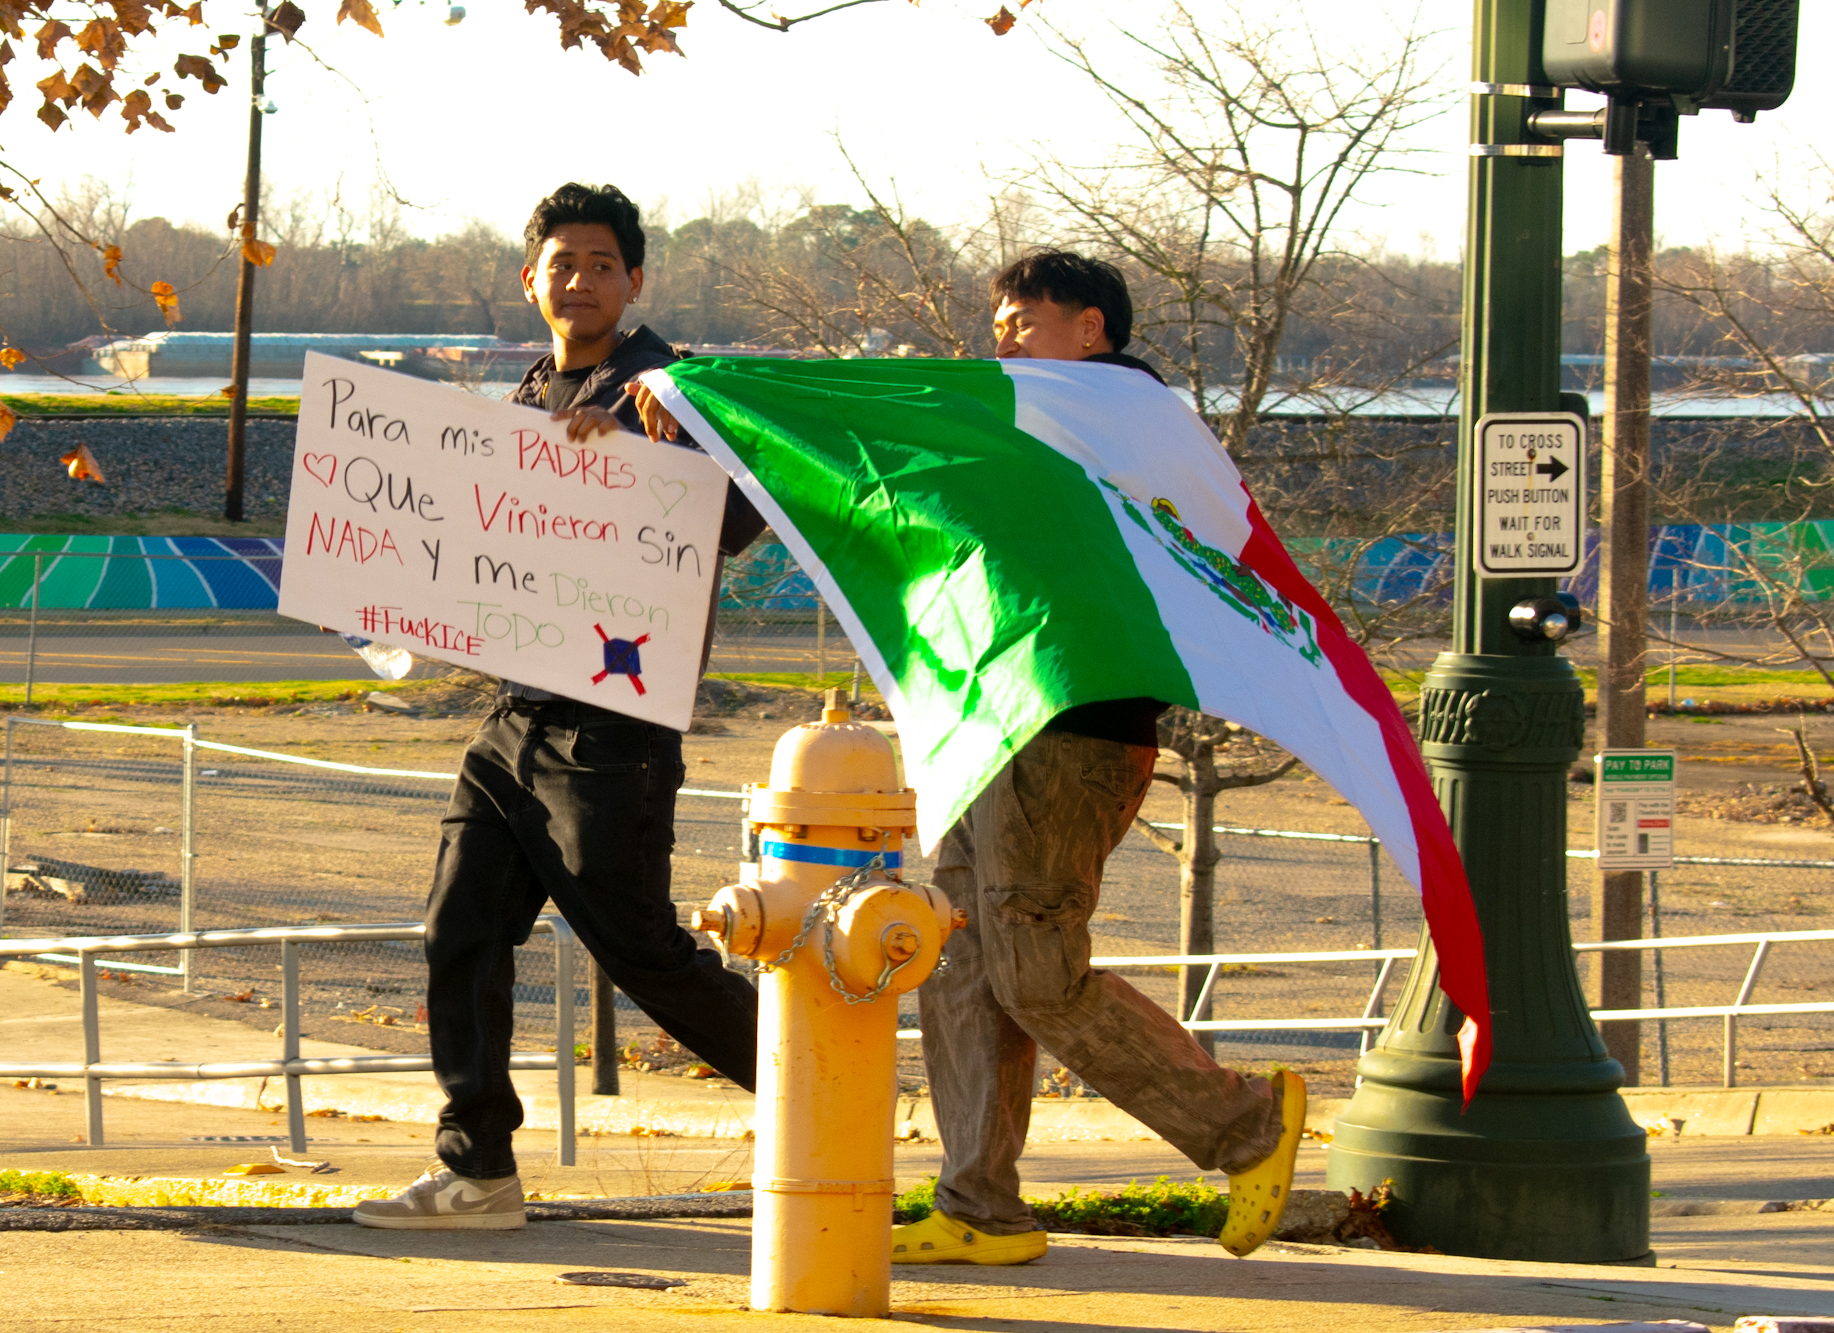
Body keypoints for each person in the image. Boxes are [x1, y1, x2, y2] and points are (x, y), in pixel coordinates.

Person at [626, 249, 1305, 1265]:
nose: (1003, 336)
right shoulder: (1039, 415)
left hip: (1069, 728)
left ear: (1091, 329)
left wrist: (721, 384)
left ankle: (1246, 1126)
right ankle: (979, 1201)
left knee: (1035, 973)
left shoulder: (1105, 411)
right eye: (997, 319)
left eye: (1024, 318)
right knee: (955, 962)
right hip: (988, 719)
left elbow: (899, 403)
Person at [354, 183, 765, 1230]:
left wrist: (652, 452)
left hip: (612, 724)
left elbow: (739, 523)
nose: (577, 279)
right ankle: (476, 1167)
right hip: (513, 715)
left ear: (634, 282)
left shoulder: (669, 391)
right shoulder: (529, 392)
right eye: (560, 262)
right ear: (528, 278)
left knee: (640, 952)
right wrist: (379, 591)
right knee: (461, 928)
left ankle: (829, 1096)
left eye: (600, 263)